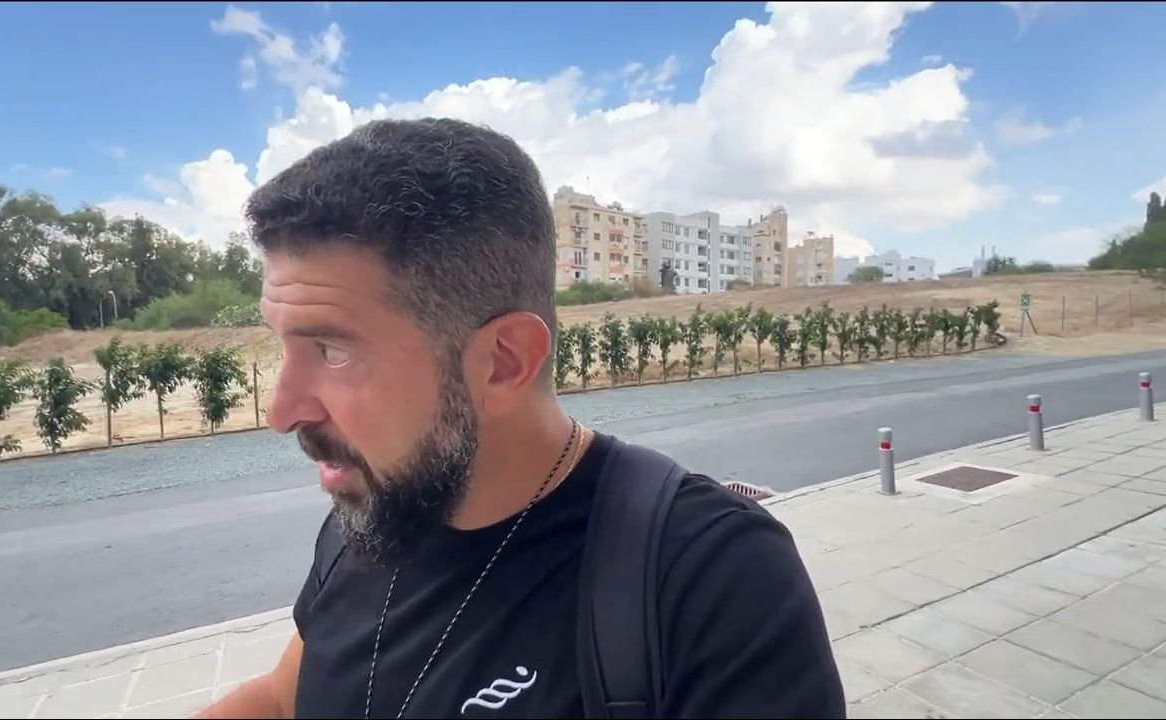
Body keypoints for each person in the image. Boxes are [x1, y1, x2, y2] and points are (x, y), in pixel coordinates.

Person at [195, 118, 844, 719]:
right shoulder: (375, 516)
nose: (281, 411)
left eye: (332, 351)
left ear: (503, 363)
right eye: (282, 346)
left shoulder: (712, 579)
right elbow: (283, 699)